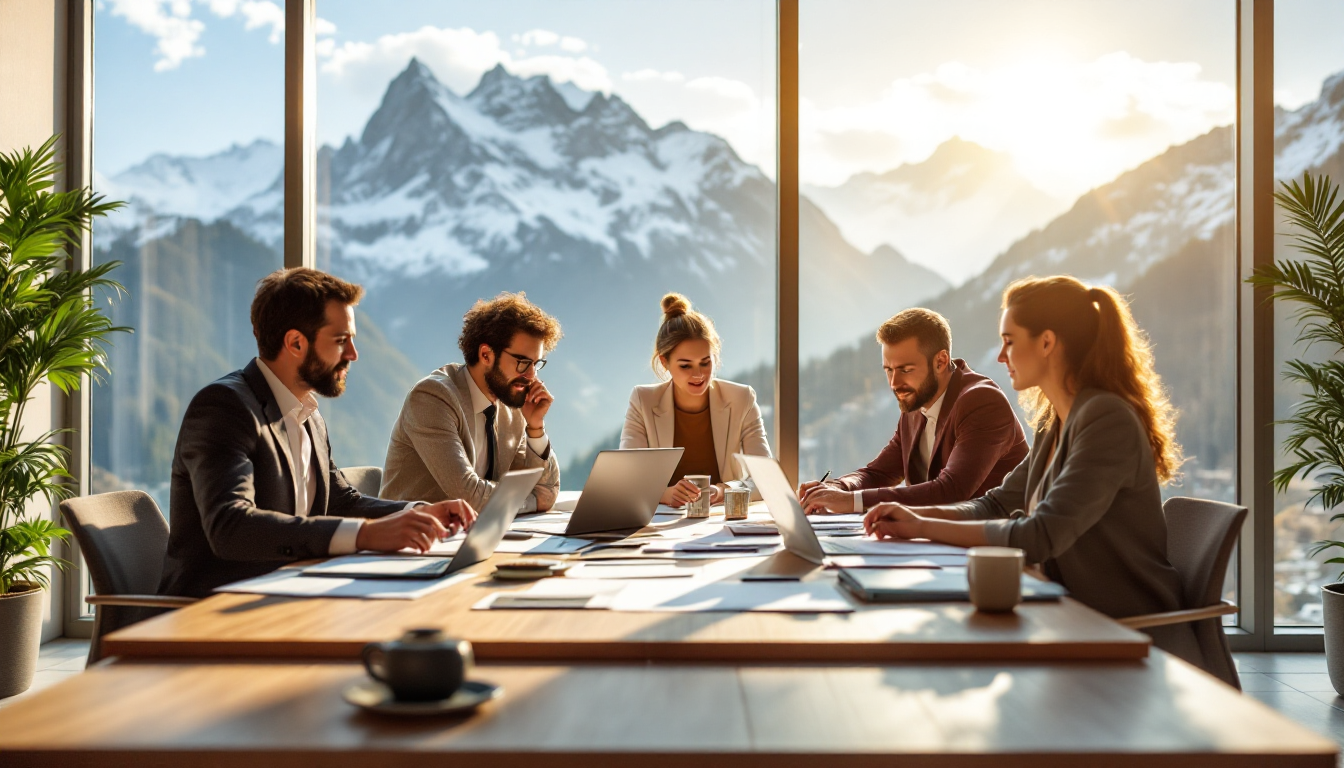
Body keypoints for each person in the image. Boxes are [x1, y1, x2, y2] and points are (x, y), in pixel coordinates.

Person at [863, 276, 1199, 660]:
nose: (1001, 356)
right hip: (1067, 611)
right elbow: (995, 504)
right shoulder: (1056, 420)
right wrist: (914, 516)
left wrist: (923, 527)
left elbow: (1041, 535)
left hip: (1125, 628)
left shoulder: (1106, 420)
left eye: (1009, 341)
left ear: (1046, 342)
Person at [159, 268, 477, 598]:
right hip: (213, 609)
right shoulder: (224, 407)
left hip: (290, 594)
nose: (353, 354)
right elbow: (231, 527)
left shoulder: (308, 413)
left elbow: (340, 502)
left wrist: (417, 512)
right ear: (296, 343)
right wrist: (366, 534)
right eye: (341, 341)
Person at [798, 308, 1027, 514]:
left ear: (940, 361)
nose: (894, 383)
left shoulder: (982, 402)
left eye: (905, 370)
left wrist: (852, 501)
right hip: (937, 538)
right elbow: (879, 473)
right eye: (888, 370)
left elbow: (952, 491)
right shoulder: (916, 403)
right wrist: (835, 488)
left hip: (994, 540)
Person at [381, 292, 563, 513]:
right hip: (415, 532)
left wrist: (535, 427)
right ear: (486, 355)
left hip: (478, 530)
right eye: (523, 362)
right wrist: (531, 501)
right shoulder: (432, 397)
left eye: (536, 364)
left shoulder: (511, 406)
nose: (532, 376)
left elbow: (546, 490)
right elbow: (469, 495)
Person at [621, 293, 771, 507]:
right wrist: (665, 494)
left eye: (705, 362)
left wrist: (723, 491)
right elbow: (627, 479)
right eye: (685, 365)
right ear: (664, 362)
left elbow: (765, 478)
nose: (698, 374)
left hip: (720, 518)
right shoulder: (643, 400)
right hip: (663, 519)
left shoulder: (742, 398)